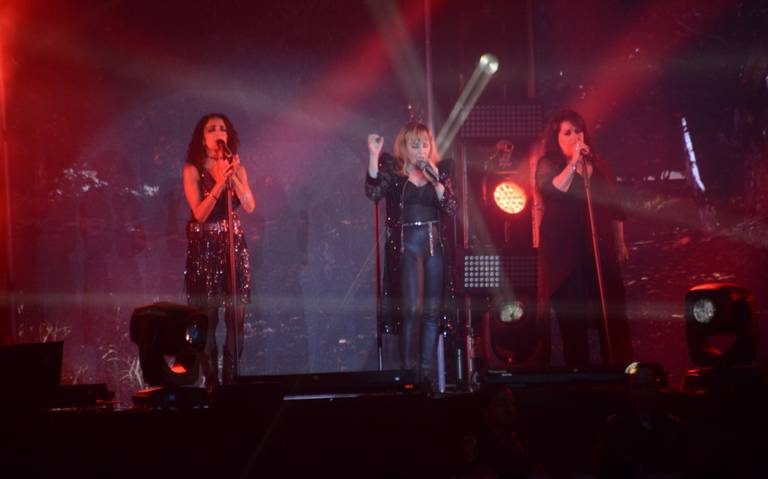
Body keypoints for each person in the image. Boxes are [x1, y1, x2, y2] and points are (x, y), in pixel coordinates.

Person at [533, 109, 633, 367]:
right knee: (573, 325)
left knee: (612, 315)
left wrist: (620, 243)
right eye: (568, 133)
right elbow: (553, 190)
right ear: (556, 138)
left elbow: (615, 207)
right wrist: (573, 163)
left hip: (598, 251)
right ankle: (579, 376)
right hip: (565, 258)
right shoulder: (548, 165)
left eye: (578, 131)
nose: (575, 137)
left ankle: (618, 372)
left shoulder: (598, 166)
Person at [365, 122, 457, 387]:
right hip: (408, 246)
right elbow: (373, 192)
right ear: (405, 147)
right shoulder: (395, 174)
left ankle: (425, 374)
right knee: (413, 309)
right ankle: (408, 374)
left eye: (425, 144)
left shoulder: (438, 172)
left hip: (433, 244)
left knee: (431, 311)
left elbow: (451, 208)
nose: (421, 150)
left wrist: (437, 183)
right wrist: (373, 155)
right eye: (415, 145)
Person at [183, 113, 256, 387]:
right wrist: (217, 184)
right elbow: (199, 214)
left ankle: (231, 378)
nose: (217, 133)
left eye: (222, 128)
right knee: (209, 318)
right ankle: (212, 380)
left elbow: (249, 205)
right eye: (211, 129)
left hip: (233, 245)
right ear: (203, 138)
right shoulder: (192, 169)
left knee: (236, 316)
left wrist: (232, 176)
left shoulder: (237, 168)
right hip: (206, 248)